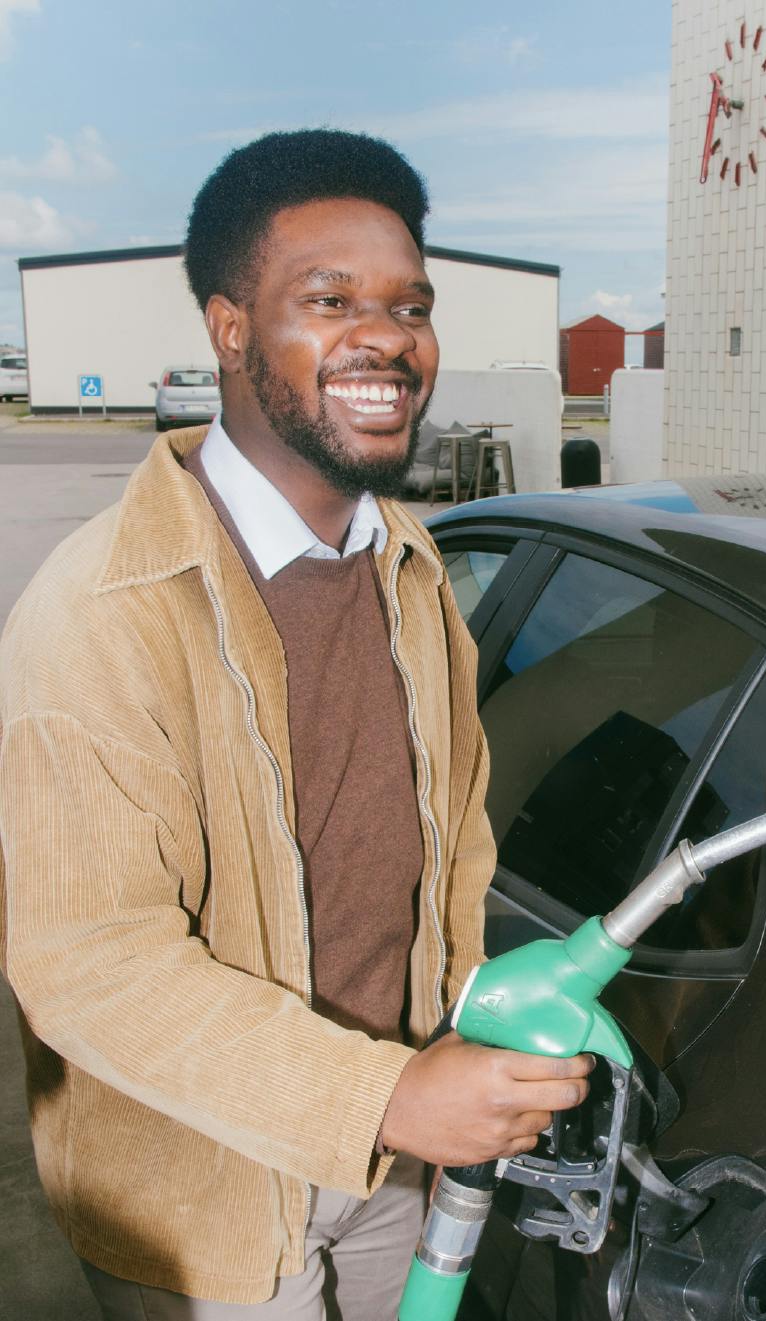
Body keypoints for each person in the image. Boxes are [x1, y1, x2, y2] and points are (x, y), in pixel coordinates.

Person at [0, 128, 592, 1319]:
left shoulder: (413, 568)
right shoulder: (101, 610)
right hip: (201, 1191)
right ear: (229, 329)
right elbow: (85, 962)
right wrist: (380, 1096)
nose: (386, 337)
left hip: (391, 1164)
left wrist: (459, 1023)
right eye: (330, 300)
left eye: (409, 305)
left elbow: (451, 841)